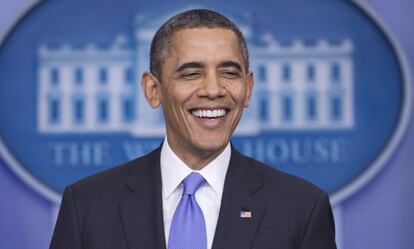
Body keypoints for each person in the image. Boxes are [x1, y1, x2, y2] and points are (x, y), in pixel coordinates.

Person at [50, 9, 336, 249]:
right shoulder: (87, 206)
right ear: (153, 90)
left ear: (247, 89)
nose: (213, 90)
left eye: (229, 73)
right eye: (191, 73)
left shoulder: (302, 209)